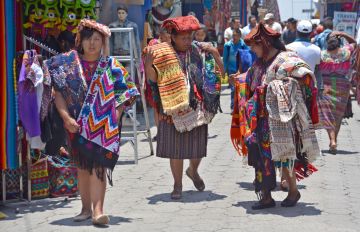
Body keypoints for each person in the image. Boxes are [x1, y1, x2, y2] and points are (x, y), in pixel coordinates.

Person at [47, 19, 139, 225]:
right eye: (88, 39)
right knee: (82, 167)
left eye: (97, 39)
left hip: (103, 128)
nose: (92, 43)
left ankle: (98, 211)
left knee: (98, 166)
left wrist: (115, 115)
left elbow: (125, 92)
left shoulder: (111, 66)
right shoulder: (67, 64)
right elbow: (58, 93)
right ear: (80, 40)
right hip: (76, 125)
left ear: (103, 42)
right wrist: (66, 118)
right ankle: (85, 209)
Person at [230, 23, 320, 210]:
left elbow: (305, 78)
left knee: (284, 155)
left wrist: (280, 86)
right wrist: (238, 80)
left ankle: (293, 191)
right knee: (260, 157)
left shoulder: (286, 59)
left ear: (264, 43)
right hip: (260, 121)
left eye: (254, 46)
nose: (252, 50)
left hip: (281, 120)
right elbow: (250, 82)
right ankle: (266, 196)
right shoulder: (258, 63)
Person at [144, 15, 223, 200]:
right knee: (175, 149)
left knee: (197, 148)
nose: (188, 41)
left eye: (190, 37)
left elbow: (220, 73)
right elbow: (153, 80)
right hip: (172, 106)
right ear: (173, 37)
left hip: (196, 105)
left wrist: (216, 54)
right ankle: (177, 185)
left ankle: (193, 171)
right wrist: (148, 64)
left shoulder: (199, 51)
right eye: (184, 38)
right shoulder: (162, 53)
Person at [317, 31, 357, 154]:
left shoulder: (322, 55)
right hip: (343, 87)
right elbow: (354, 42)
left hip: (326, 86)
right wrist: (343, 34)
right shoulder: (346, 52)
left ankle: (332, 140)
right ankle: (334, 141)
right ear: (339, 43)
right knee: (338, 115)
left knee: (327, 114)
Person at [145, 27, 171, 141]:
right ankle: (160, 132)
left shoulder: (171, 44)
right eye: (168, 35)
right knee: (156, 107)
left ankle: (169, 132)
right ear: (162, 34)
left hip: (168, 80)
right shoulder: (154, 43)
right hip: (155, 80)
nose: (169, 37)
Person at [287, 20, 322, 91]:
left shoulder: (287, 47)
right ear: (311, 33)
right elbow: (317, 70)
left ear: (297, 32)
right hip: (309, 89)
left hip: (291, 88)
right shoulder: (317, 49)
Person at [223, 28, 248, 110]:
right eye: (233, 35)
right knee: (233, 89)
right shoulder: (227, 45)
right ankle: (233, 107)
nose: (234, 37)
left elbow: (246, 58)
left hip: (241, 70)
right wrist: (224, 70)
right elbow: (225, 59)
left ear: (240, 36)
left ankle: (241, 106)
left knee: (242, 88)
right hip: (231, 70)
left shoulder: (243, 45)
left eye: (236, 35)